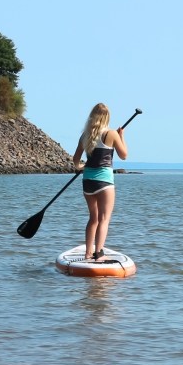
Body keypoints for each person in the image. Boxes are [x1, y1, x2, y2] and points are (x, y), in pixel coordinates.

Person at [72, 103, 128, 262]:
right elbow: (124, 155)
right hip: (104, 182)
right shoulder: (111, 134)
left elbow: (76, 160)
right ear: (106, 118)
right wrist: (121, 136)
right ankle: (99, 254)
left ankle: (88, 253)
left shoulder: (85, 135)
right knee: (104, 219)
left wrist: (81, 167)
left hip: (88, 182)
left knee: (93, 218)